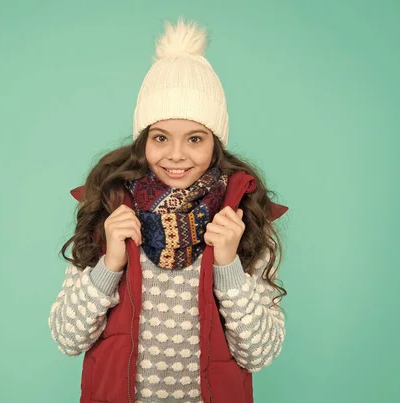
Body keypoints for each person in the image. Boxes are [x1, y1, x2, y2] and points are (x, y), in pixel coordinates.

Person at [48, 17, 289, 403]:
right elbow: (67, 336)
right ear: (143, 141)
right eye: (161, 137)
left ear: (216, 145)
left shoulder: (243, 220)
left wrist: (228, 265)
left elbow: (258, 353)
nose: (176, 155)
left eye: (195, 138)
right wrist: (109, 263)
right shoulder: (109, 212)